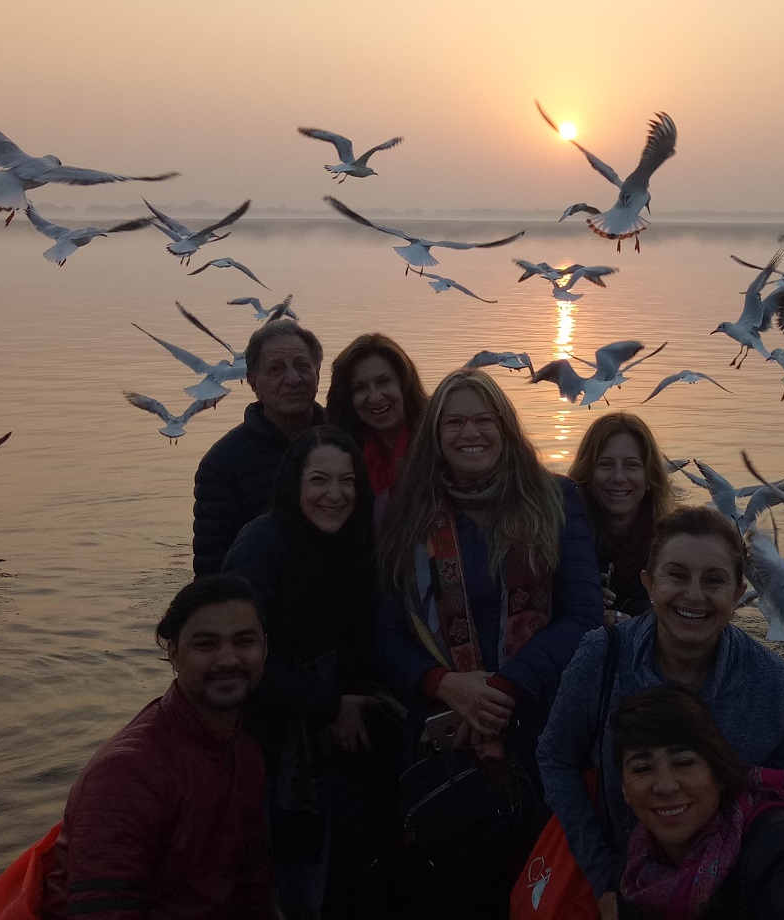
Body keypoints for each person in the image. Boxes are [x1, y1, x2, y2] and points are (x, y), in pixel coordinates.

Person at [537, 505, 784, 920]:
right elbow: (556, 759)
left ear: (738, 593)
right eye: (677, 575)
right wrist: (603, 877)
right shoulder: (604, 657)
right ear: (649, 583)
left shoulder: (768, 682)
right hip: (624, 884)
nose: (694, 595)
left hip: (731, 896)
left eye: (713, 580)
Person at [374, 369, 602, 917]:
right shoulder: (401, 511)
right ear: (435, 435)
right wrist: (445, 684)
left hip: (541, 733)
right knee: (453, 889)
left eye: (482, 419)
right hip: (444, 738)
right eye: (453, 422)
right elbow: (384, 634)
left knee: (537, 889)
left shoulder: (556, 499)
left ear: (505, 427)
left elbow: (583, 617)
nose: (468, 432)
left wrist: (503, 689)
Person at [223, 427, 405, 918]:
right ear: (293, 484)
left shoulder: (355, 546)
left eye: (348, 481)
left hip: (338, 744)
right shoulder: (263, 544)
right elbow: (240, 659)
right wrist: (330, 705)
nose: (335, 494)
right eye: (319, 480)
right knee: (283, 877)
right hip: (273, 745)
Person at [38, 574, 274, 920]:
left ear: (265, 649)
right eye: (206, 645)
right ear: (174, 654)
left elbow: (254, 891)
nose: (228, 659)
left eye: (244, 641)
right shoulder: (127, 775)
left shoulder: (245, 754)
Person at [610, 687, 784, 920]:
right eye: (642, 768)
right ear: (624, 790)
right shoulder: (638, 859)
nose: (665, 786)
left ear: (719, 774)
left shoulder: (777, 849)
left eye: (684, 763)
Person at [192, 318, 325, 574]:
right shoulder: (222, 464)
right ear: (253, 383)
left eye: (302, 365)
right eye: (276, 369)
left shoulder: (347, 439)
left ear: (318, 373)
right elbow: (212, 571)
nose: (293, 379)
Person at [567, 412, 675, 620]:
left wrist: (636, 625)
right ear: (588, 473)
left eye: (632, 465)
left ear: (649, 476)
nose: (618, 477)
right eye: (605, 464)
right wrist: (579, 599)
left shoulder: (672, 545)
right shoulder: (562, 542)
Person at [324, 333, 429, 506]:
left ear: (404, 383)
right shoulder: (346, 455)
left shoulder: (436, 443)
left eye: (384, 381)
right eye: (360, 387)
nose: (374, 397)